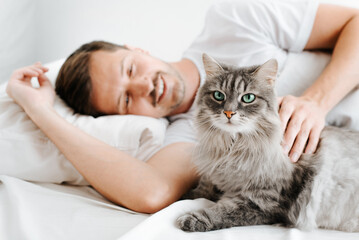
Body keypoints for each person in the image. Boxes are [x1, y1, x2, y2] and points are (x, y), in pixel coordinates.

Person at [5, 0, 359, 213]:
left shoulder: (236, 20)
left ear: (138, 50)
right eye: (126, 99)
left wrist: (316, 100)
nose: (144, 85)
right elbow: (150, 192)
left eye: (130, 69)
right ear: (125, 119)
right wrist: (40, 111)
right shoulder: (191, 135)